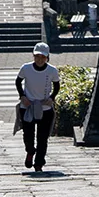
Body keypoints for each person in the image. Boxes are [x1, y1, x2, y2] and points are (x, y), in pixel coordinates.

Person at [16, 43, 60, 171]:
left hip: (44, 107)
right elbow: (18, 81)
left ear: (47, 57)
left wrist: (51, 98)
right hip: (28, 105)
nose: (40, 59)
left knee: (42, 137)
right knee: (28, 134)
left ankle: (39, 163)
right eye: (37, 56)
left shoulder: (52, 70)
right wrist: (22, 96)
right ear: (33, 56)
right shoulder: (26, 68)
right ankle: (30, 151)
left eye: (43, 57)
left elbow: (56, 86)